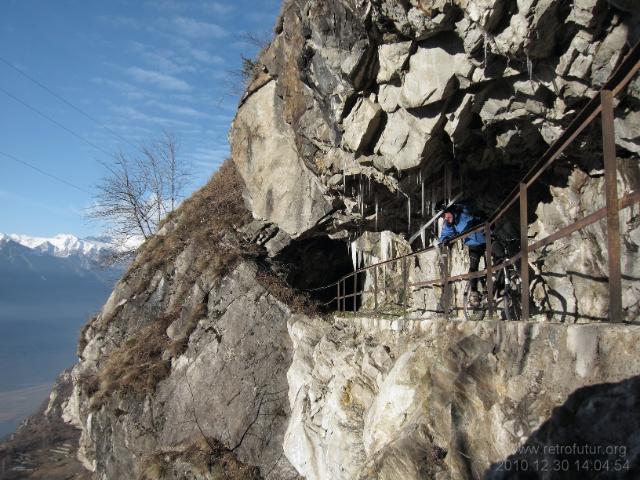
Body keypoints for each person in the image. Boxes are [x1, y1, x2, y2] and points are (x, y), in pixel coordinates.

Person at [438, 203, 486, 308]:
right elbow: (445, 234)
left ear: (450, 210)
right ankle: (474, 293)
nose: (445, 218)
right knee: (473, 267)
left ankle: (502, 289)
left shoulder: (463, 210)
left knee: (499, 261)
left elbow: (474, 206)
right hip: (474, 244)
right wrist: (445, 239)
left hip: (487, 238)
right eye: (443, 217)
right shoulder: (451, 223)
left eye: (445, 214)